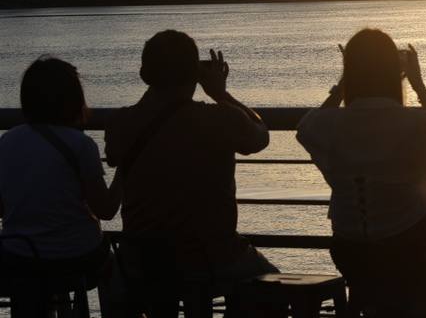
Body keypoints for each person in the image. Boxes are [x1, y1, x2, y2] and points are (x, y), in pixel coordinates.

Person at [297, 29, 426, 318]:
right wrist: (419, 85)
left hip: (352, 251)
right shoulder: (419, 123)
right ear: (394, 74)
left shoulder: (325, 125)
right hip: (412, 251)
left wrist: (344, 85)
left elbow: (305, 128)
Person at [104, 30, 278, 316]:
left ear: (144, 74)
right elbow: (260, 136)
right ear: (194, 74)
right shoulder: (219, 118)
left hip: (142, 259)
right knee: (271, 285)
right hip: (210, 257)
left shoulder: (120, 124)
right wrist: (221, 93)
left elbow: (117, 157)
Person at [0, 57, 120, 315]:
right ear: (73, 99)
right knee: (115, 264)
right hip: (77, 257)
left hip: (19, 256)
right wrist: (124, 169)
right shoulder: (81, 146)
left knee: (29, 281)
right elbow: (106, 210)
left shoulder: (6, 143)